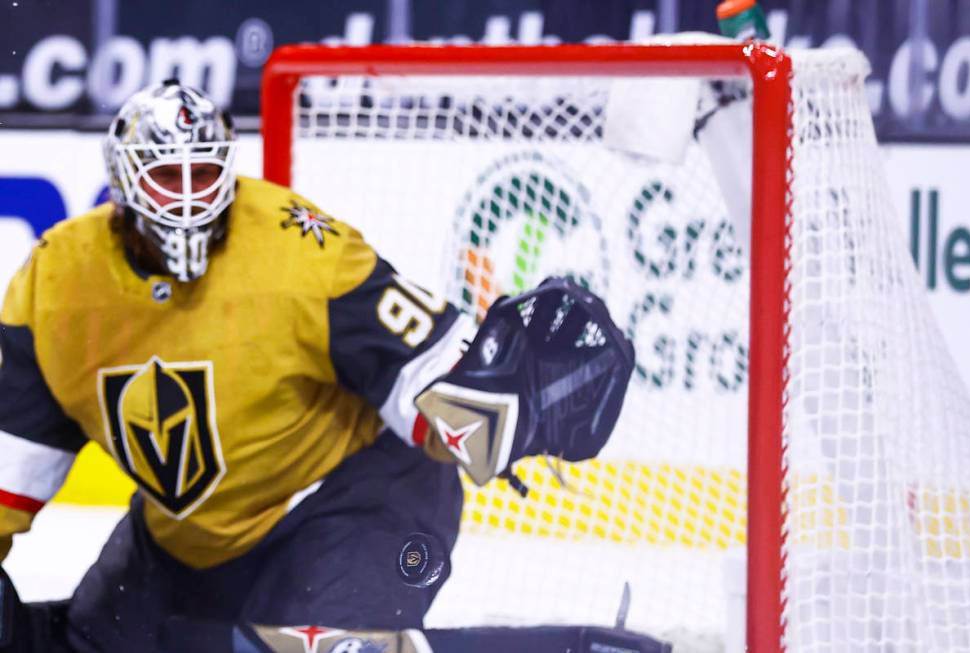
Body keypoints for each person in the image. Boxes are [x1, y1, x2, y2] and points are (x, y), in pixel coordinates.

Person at [0, 80, 634, 653]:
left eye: (205, 175)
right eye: (170, 178)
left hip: (355, 503)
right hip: (182, 541)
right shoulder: (55, 285)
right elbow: (10, 466)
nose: (191, 199)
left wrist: (495, 401)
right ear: (125, 183)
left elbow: (424, 368)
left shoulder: (297, 250)